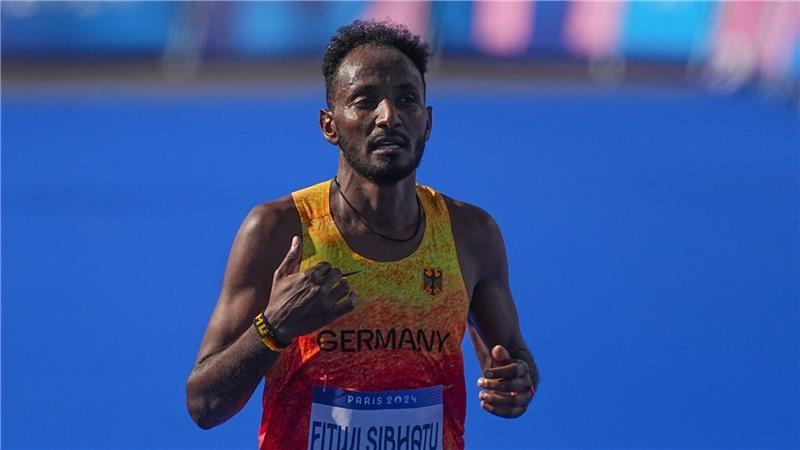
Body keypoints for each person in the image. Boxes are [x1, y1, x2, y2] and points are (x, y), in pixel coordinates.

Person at [186, 20, 539, 450]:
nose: (388, 116)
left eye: (406, 100)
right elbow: (204, 404)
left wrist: (514, 381)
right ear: (329, 125)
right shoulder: (280, 230)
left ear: (426, 122)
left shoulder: (471, 234)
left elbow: (514, 359)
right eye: (365, 101)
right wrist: (274, 329)